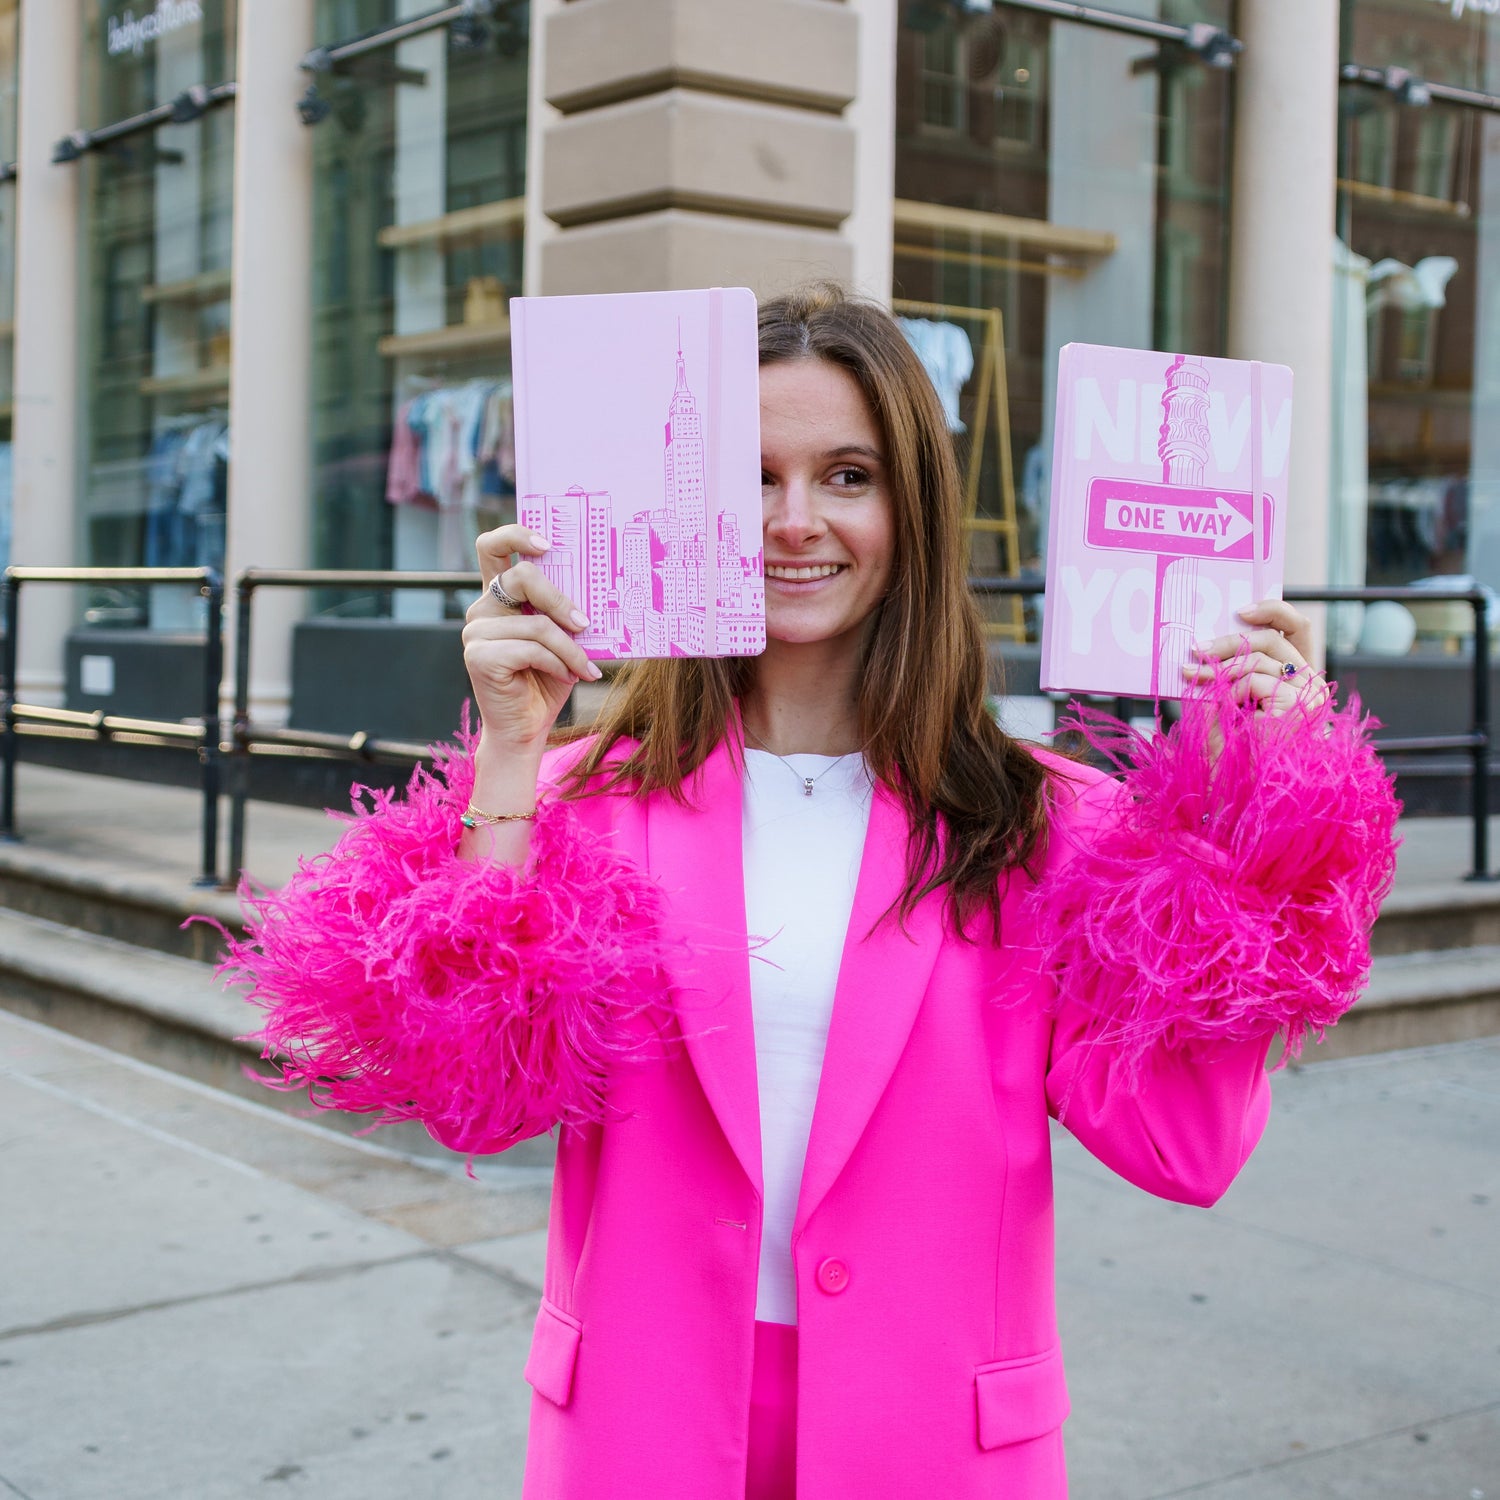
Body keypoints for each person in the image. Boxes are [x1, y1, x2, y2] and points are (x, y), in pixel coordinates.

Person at [229, 285, 1398, 1499]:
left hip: (938, 1445)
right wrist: (512, 756)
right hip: (639, 1434)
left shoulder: (1048, 823)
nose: (794, 523)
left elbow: (1185, 1147)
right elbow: (472, 1105)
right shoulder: (574, 797)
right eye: (754, 478)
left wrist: (1266, 816)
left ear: (914, 511)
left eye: (848, 476)